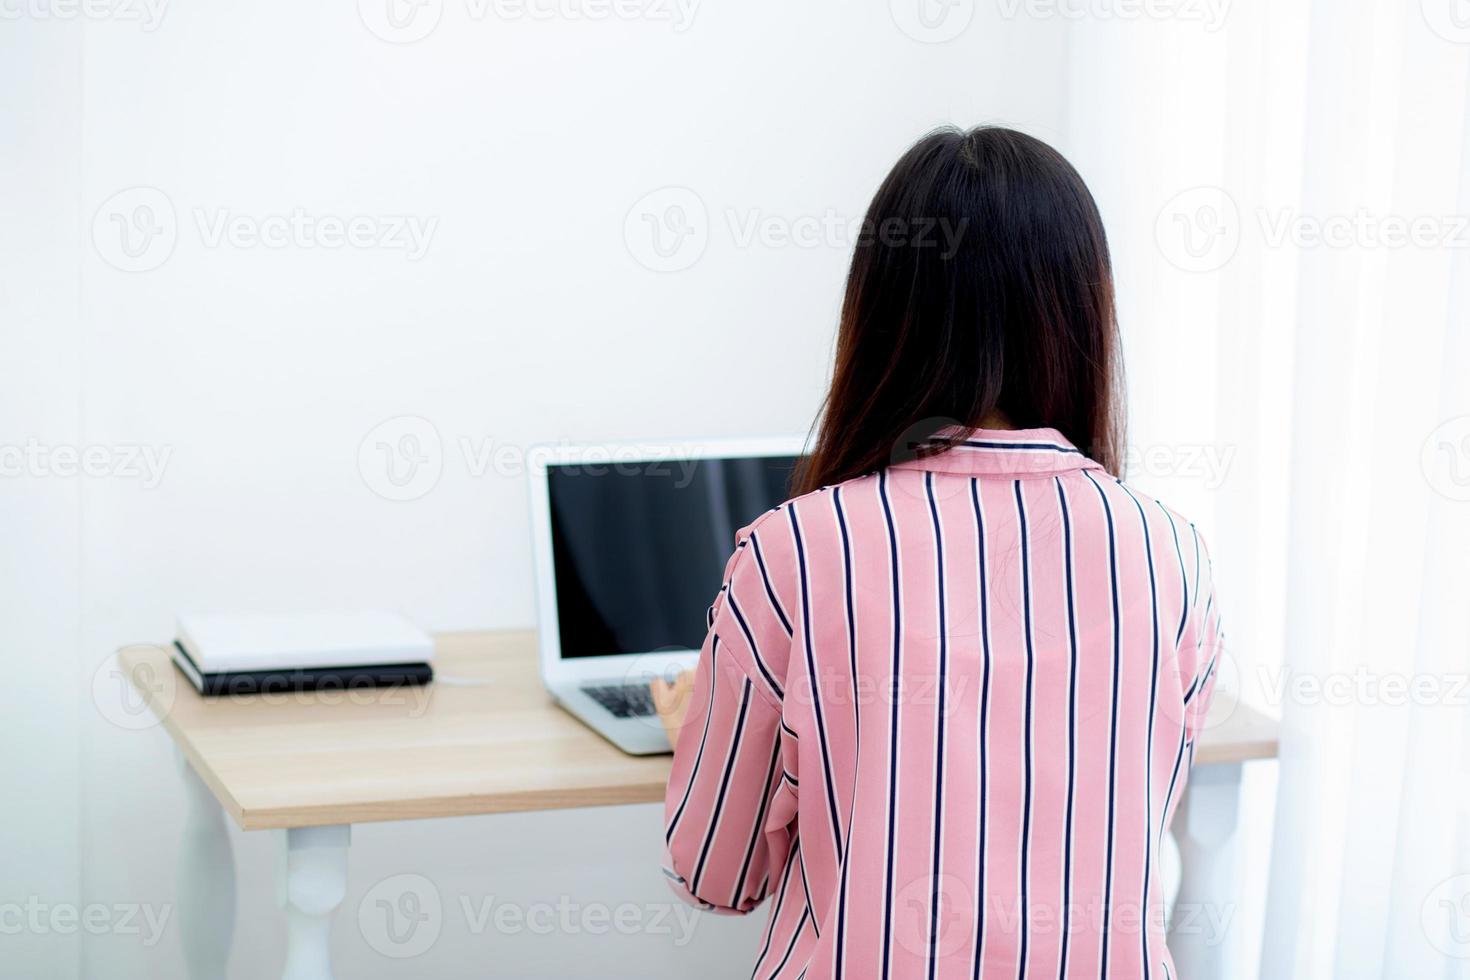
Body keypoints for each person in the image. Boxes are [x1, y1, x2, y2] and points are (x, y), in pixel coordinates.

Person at [652, 125, 1223, 979]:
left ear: (881, 318)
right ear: (1082, 313)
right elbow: (1121, 823)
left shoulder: (797, 554)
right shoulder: (1174, 557)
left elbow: (716, 875)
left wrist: (713, 731)